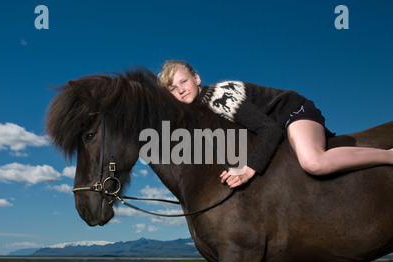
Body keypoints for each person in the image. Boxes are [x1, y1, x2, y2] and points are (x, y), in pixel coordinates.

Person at [158, 60, 393, 189]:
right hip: (278, 123)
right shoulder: (202, 110)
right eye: (173, 89)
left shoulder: (220, 96)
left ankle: (389, 156)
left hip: (291, 112)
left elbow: (268, 129)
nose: (180, 90)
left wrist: (248, 170)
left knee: (313, 162)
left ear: (197, 79)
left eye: (184, 81)